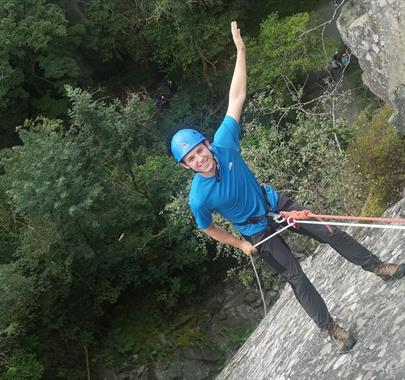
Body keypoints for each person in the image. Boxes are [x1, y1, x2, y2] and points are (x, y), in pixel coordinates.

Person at [170, 21, 405, 353]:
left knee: (329, 231)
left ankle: (377, 266)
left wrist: (240, 51)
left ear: (207, 144)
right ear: (186, 167)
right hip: (256, 233)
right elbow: (208, 228)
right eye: (191, 159)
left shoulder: (225, 143)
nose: (199, 159)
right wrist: (239, 244)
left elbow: (236, 96)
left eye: (199, 151)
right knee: (296, 276)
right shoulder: (199, 198)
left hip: (275, 204)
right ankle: (331, 328)